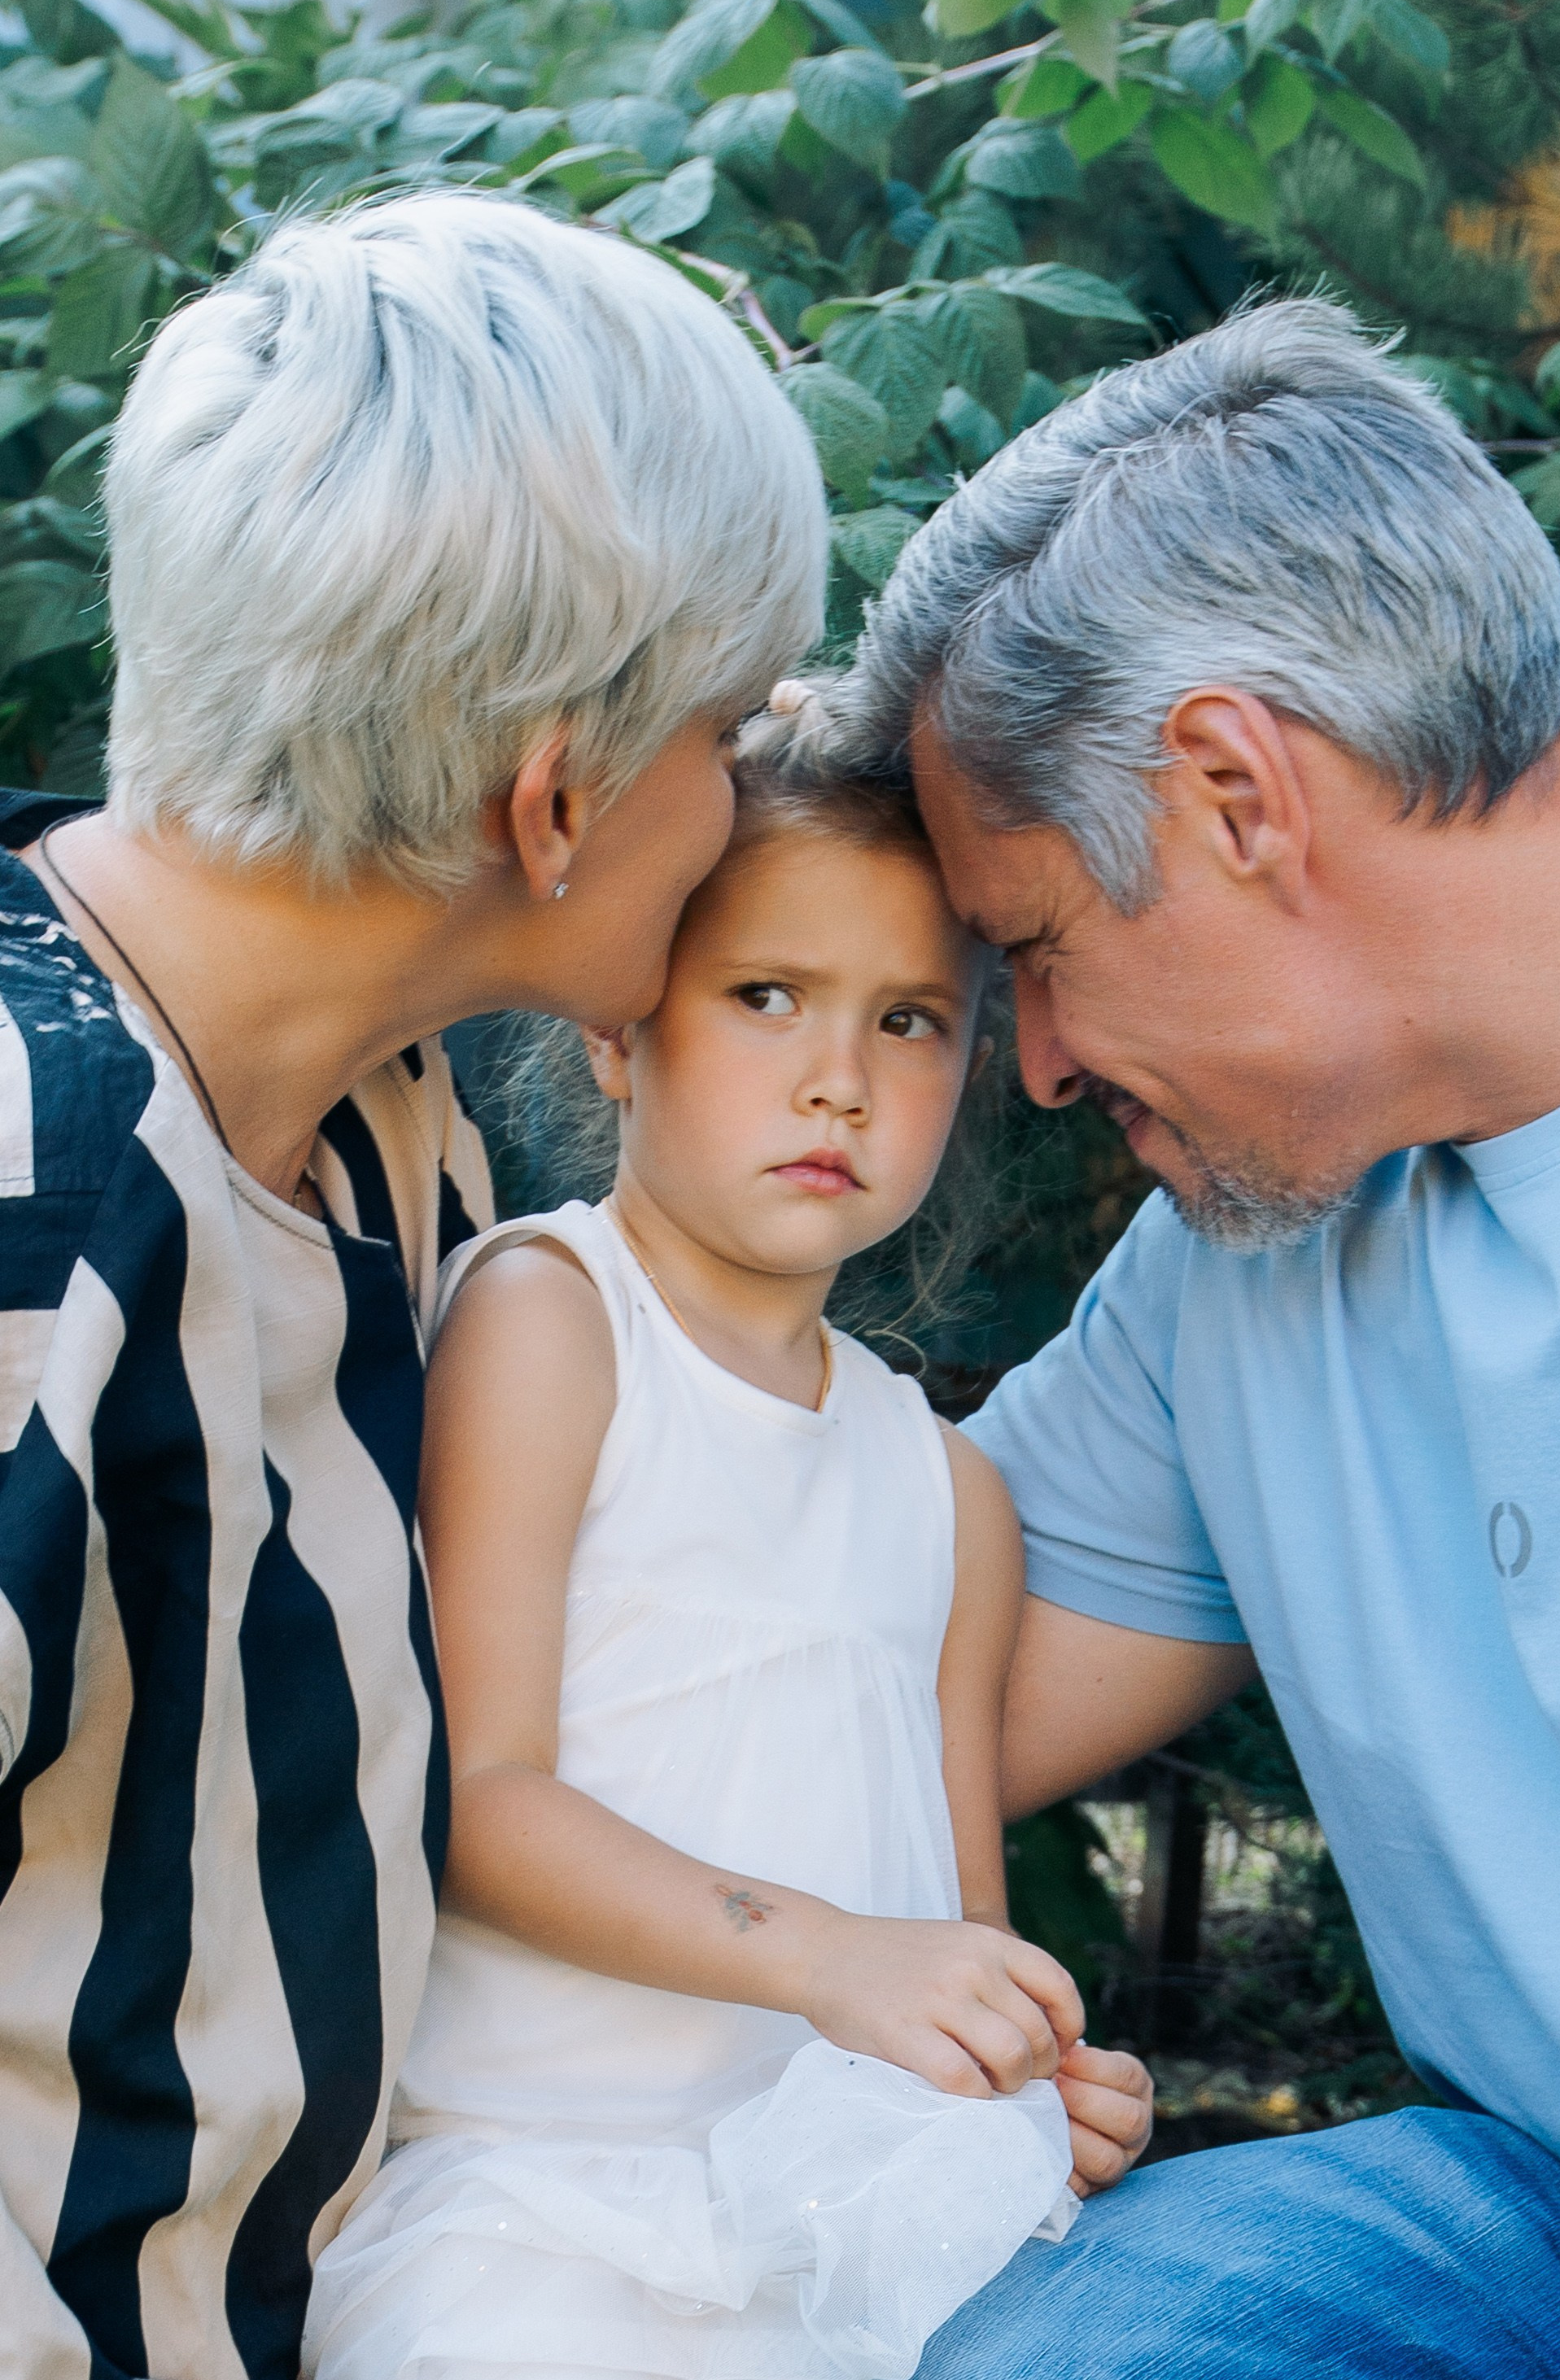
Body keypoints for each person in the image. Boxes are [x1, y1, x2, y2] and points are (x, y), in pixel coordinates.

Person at [0, 192, 828, 2380]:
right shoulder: (31, 1218)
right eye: (732, 729)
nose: (747, 794)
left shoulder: (386, 1116)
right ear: (553, 800)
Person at [843, 297, 1560, 2375]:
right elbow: (854, 1683)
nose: (1053, 1064)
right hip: (1551, 2208)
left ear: (1231, 790)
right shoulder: (1243, 1259)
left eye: (1039, 953)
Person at [303, 696, 1155, 2380]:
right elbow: (477, 1798)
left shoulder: (948, 1492)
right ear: (625, 1022)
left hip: (852, 2234)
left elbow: (949, 1935)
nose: (838, 1077)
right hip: (544, 2217)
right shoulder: (555, 1321)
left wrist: (1020, 2061)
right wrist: (834, 1957)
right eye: (767, 994)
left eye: (909, 1020)